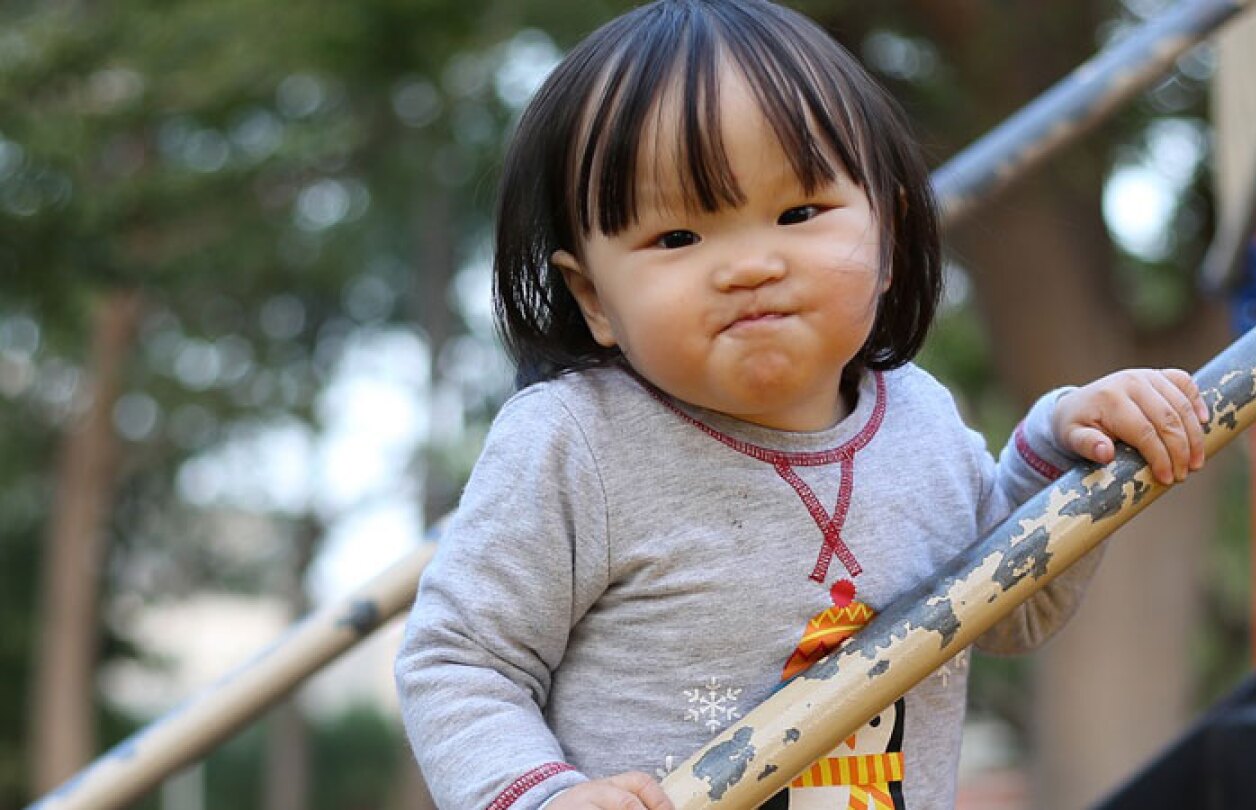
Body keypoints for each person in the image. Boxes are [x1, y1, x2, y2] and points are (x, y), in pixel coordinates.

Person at [394, 1, 1209, 809]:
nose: (750, 265)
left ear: (887, 237)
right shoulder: (577, 441)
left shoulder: (919, 418)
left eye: (798, 213)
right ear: (593, 296)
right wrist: (540, 796)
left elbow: (1008, 609)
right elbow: (462, 660)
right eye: (677, 238)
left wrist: (1071, 450)